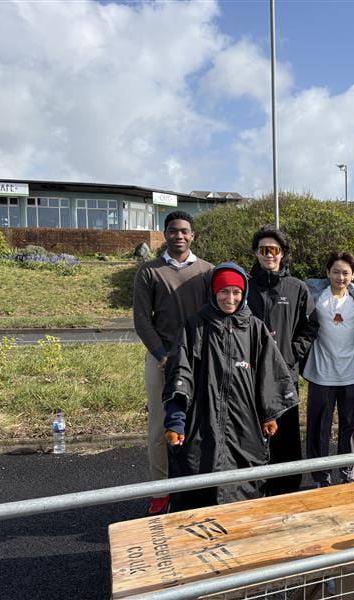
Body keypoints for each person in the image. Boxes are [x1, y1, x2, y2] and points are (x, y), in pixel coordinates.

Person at [162, 263, 298, 511]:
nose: (230, 298)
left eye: (236, 292)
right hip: (202, 421)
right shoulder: (196, 326)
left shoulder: (254, 327)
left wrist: (270, 414)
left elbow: (270, 372)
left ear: (244, 293)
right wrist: (176, 420)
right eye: (224, 291)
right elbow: (181, 372)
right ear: (214, 292)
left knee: (245, 486)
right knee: (197, 478)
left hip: (244, 423)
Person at [132, 210, 213, 515]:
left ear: (192, 235)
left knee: (201, 423)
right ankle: (161, 491)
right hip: (162, 358)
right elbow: (142, 320)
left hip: (200, 358)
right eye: (173, 231)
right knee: (159, 426)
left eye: (184, 231)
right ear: (164, 234)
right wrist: (162, 355)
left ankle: (198, 485)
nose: (179, 235)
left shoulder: (207, 271)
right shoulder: (149, 272)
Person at [246, 225, 315, 495]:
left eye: (274, 250)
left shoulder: (297, 287)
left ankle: (286, 490)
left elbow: (311, 327)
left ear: (282, 253)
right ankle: (253, 488)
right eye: (263, 249)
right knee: (252, 432)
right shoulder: (245, 287)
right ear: (256, 252)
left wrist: (291, 354)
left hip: (284, 375)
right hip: (249, 374)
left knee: (285, 437)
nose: (269, 255)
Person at [303, 251, 354, 487]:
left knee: (352, 426)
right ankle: (319, 476)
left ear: (353, 275)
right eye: (336, 271)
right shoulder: (314, 294)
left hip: (352, 374)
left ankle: (349, 475)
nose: (340, 277)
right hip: (321, 374)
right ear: (327, 272)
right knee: (318, 428)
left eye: (346, 273)